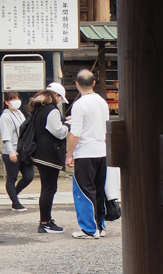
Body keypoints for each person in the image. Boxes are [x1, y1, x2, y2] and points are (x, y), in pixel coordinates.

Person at [67, 69, 111, 239]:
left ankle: (89, 229)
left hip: (85, 152)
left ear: (77, 84)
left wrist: (69, 154)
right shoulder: (102, 102)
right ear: (94, 83)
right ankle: (101, 225)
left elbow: (76, 133)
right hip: (101, 149)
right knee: (99, 189)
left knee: (84, 191)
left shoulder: (79, 104)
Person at [24, 82, 70, 233]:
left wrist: (62, 122)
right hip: (49, 155)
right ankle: (44, 222)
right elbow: (58, 131)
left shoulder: (40, 108)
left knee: (48, 188)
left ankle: (46, 220)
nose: (60, 102)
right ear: (56, 95)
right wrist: (68, 127)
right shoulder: (51, 110)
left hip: (40, 153)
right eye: (60, 98)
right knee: (49, 189)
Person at [0, 90, 33, 212]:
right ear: (7, 102)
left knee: (29, 176)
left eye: (17, 98)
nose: (16, 101)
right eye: (13, 99)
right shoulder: (5, 116)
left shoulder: (19, 113)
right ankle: (15, 202)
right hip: (11, 151)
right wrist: (11, 152)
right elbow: (6, 137)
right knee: (12, 177)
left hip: (22, 150)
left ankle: (14, 194)